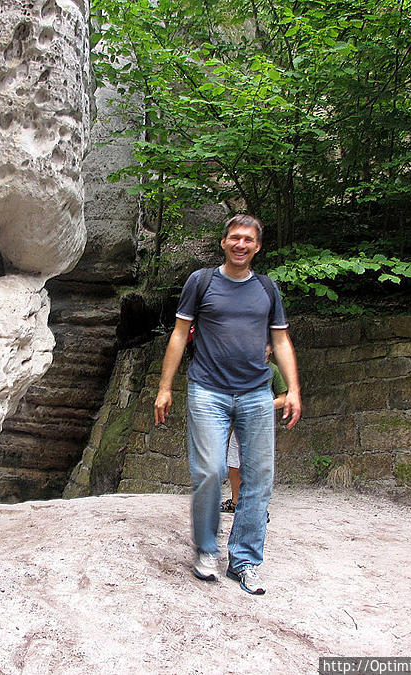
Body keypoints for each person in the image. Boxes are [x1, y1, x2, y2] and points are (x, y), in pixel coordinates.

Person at [153, 213, 301, 595]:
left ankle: (245, 562)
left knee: (258, 479)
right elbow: (179, 334)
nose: (240, 245)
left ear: (257, 247)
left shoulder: (267, 289)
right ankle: (206, 550)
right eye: (234, 238)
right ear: (224, 242)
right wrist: (164, 387)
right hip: (207, 390)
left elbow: (281, 341)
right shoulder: (202, 282)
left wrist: (294, 389)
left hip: (256, 393)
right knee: (210, 470)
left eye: (248, 240)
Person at [223, 348, 288, 513]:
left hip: (260, 424)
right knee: (233, 462)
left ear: (271, 350)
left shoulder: (273, 370)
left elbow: (283, 399)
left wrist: (264, 405)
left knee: (257, 465)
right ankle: (236, 502)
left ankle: (258, 508)